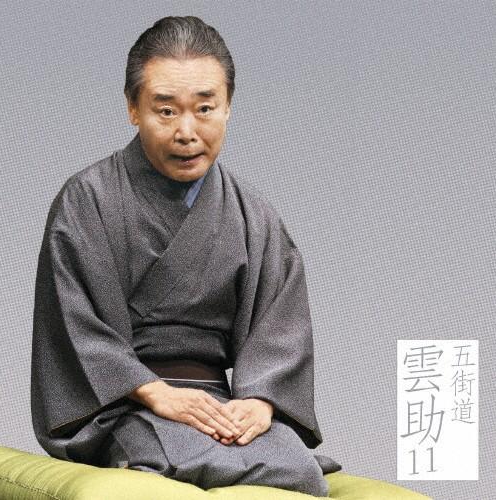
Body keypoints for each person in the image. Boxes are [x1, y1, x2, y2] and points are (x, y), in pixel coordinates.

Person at [30, 15, 342, 497]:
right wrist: (155, 393)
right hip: (123, 405)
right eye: (166, 111)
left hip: (218, 408)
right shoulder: (88, 201)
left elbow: (280, 327)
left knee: (297, 469)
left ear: (228, 107)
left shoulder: (251, 215)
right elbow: (76, 326)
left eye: (205, 108)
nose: (187, 131)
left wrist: (259, 402)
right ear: (133, 108)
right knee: (170, 458)